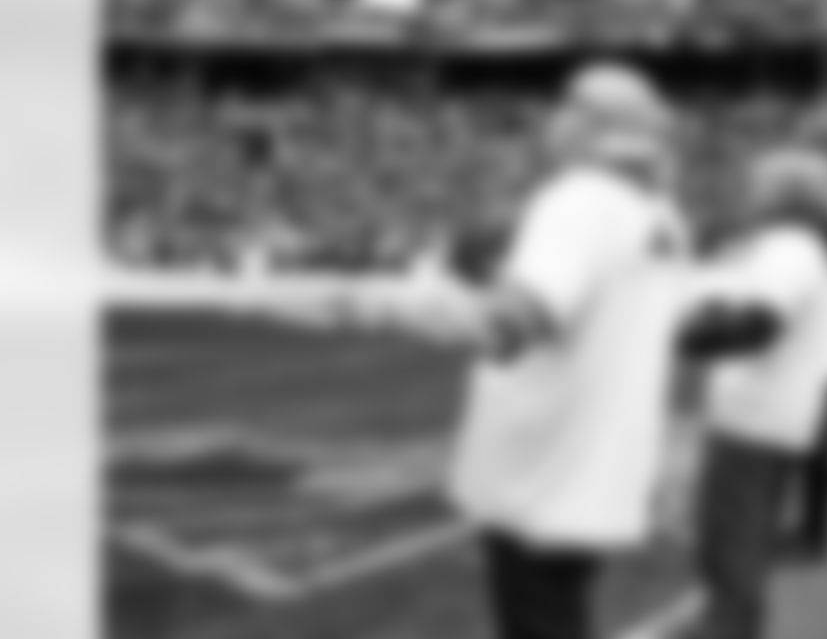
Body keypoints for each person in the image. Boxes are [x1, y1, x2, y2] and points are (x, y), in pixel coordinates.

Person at [231, 63, 696, 639]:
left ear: (591, 123)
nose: (553, 120)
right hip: (597, 468)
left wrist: (392, 304)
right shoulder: (662, 217)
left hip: (543, 471)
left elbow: (506, 328)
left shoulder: (582, 199)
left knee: (539, 621)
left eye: (566, 107)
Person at [677, 148, 827, 639]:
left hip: (754, 417)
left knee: (729, 547)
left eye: (759, 184)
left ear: (784, 195)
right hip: (774, 413)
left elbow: (758, 323)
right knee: (741, 544)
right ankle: (729, 624)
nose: (749, 193)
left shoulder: (790, 245)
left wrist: (678, 338)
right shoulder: (798, 245)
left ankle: (728, 630)